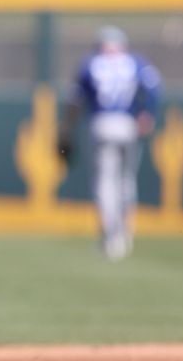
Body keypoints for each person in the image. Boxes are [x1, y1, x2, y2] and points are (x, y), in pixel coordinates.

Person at [58, 26, 162, 261]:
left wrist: (67, 129)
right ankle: (124, 232)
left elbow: (74, 100)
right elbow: (155, 88)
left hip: (102, 123)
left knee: (105, 181)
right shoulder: (135, 61)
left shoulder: (90, 63)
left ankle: (110, 236)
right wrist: (148, 114)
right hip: (127, 124)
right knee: (126, 179)